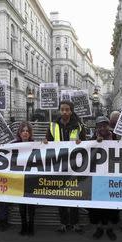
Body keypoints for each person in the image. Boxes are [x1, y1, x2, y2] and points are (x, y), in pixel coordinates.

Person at [44, 100, 87, 234]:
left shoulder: (79, 126)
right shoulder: (53, 126)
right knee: (61, 193)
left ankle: (75, 223)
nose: (64, 112)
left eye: (67, 109)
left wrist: (81, 142)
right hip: (59, 164)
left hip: (74, 165)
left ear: (71, 111)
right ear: (59, 110)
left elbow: (86, 144)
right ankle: (63, 223)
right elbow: (48, 141)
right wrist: (45, 142)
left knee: (74, 192)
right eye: (62, 109)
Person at [88, 116, 119, 241]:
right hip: (97, 177)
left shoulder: (116, 137)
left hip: (112, 175)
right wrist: (95, 142)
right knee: (98, 205)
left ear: (108, 126)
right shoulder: (92, 139)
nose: (102, 128)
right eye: (100, 126)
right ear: (97, 127)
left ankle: (110, 228)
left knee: (111, 204)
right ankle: (99, 228)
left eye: (104, 125)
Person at [15, 122, 36, 236]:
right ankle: (23, 225)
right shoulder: (13, 144)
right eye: (23, 131)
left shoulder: (35, 144)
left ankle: (31, 225)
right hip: (18, 178)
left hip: (31, 178)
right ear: (19, 132)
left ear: (30, 133)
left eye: (27, 131)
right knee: (21, 204)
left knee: (31, 204)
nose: (25, 133)